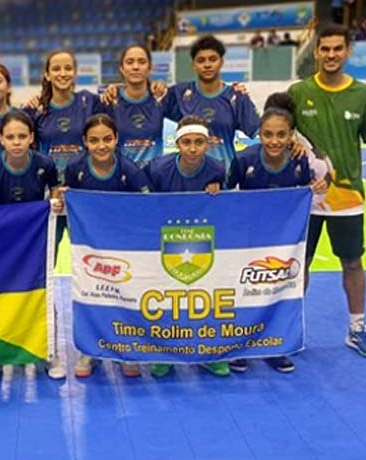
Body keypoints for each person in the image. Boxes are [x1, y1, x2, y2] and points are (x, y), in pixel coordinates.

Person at [287, 24, 366, 359]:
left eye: (337, 49)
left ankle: (357, 328)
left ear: (347, 52)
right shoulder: (298, 92)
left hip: (348, 197)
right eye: (325, 49)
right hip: (306, 196)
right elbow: (282, 134)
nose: (331, 55)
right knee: (299, 264)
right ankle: (290, 330)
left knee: (352, 262)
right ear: (316, 52)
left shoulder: (362, 93)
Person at [225, 106, 329, 374]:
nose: (274, 141)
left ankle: (275, 346)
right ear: (259, 134)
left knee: (278, 291)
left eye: (281, 134)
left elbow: (307, 194)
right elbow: (226, 194)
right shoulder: (244, 159)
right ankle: (240, 347)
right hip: (248, 239)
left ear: (291, 135)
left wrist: (316, 189)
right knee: (245, 290)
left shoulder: (299, 161)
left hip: (282, 242)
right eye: (268, 134)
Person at [60, 114, 151, 379]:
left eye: (107, 139)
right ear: (85, 142)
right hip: (89, 246)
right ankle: (90, 350)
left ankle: (126, 349)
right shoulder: (75, 168)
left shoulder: (130, 170)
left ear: (116, 139)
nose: (101, 146)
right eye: (94, 140)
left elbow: (148, 205)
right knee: (91, 294)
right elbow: (69, 203)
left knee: (125, 295)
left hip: (123, 245)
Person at [0, 110, 64, 381]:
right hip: (1, 244)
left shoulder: (44, 164)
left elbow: (56, 192)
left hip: (35, 241)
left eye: (22, 136)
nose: (16, 142)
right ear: (0, 139)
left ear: (32, 138)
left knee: (42, 293)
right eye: (11, 137)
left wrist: (56, 202)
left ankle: (48, 353)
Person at [143, 116, 229, 379]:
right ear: (177, 143)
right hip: (166, 241)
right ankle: (164, 355)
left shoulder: (217, 169)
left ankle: (208, 353)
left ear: (208, 144)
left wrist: (219, 190)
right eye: (187, 142)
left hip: (202, 241)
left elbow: (225, 207)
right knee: (166, 299)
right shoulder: (158, 169)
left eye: (199, 142)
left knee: (204, 299)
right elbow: (143, 204)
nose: (193, 148)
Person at [162, 34, 260, 170]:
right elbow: (148, 106)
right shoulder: (179, 93)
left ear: (221, 62)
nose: (207, 65)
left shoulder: (236, 97)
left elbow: (261, 134)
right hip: (190, 176)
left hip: (225, 176)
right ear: (193, 65)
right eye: (201, 60)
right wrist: (156, 87)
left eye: (212, 59)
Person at [100, 45, 167, 166]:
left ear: (150, 68)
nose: (135, 67)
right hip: (123, 174)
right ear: (121, 68)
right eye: (129, 62)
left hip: (154, 174)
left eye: (141, 62)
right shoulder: (110, 100)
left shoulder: (161, 98)